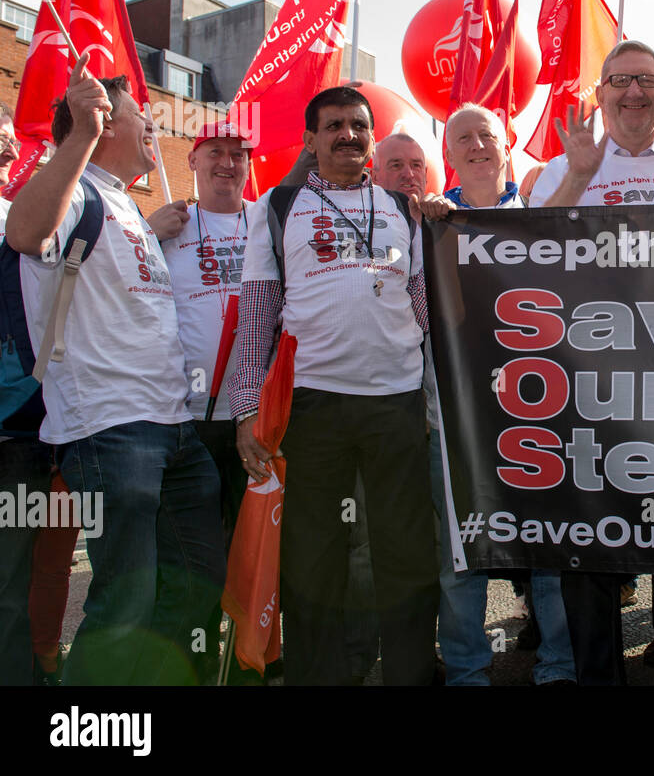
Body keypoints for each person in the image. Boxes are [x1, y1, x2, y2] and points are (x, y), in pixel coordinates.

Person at [6, 55, 225, 684]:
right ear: (100, 123)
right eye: (140, 115)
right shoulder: (72, 191)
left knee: (194, 580)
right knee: (124, 600)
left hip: (174, 429)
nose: (154, 127)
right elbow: (23, 233)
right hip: (111, 430)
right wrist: (79, 135)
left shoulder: (126, 205)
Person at [229, 84, 440, 685]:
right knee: (313, 557)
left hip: (395, 404)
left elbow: (424, 308)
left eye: (358, 125)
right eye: (334, 126)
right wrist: (248, 410)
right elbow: (258, 314)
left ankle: (410, 674)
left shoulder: (403, 209)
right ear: (311, 140)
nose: (348, 135)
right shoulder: (278, 207)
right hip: (312, 406)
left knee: (406, 554)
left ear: (373, 138)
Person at [528, 40, 654, 685]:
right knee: (589, 544)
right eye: (619, 81)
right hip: (591, 385)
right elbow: (526, 251)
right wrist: (582, 174)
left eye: (647, 80)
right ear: (601, 93)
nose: (633, 92)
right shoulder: (562, 167)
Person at [414, 103, 577, 686]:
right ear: (449, 155)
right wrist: (429, 221)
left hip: (539, 424)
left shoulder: (541, 219)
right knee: (462, 562)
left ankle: (559, 666)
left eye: (487, 134)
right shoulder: (426, 225)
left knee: (551, 555)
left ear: (507, 145)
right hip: (454, 428)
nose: (478, 145)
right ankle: (466, 671)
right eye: (464, 138)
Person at [152, 119, 256, 681]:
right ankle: (189, 662)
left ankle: (248, 662)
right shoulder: (168, 225)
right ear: (190, 161)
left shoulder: (265, 224)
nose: (227, 163)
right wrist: (147, 229)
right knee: (194, 562)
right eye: (214, 152)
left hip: (252, 420)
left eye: (238, 154)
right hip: (185, 421)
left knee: (253, 556)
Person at [372, 132, 431, 200]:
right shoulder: (360, 208)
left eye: (416, 165)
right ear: (375, 177)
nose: (409, 175)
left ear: (425, 174)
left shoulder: (443, 209)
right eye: (396, 166)